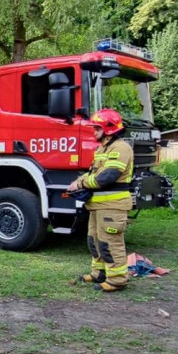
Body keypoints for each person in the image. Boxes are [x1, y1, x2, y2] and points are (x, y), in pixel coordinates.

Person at [67, 108, 134, 292]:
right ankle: (99, 274)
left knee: (110, 243)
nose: (94, 132)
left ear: (109, 129)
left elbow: (107, 177)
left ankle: (117, 280)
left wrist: (81, 184)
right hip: (98, 206)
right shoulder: (103, 149)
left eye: (97, 128)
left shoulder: (121, 148)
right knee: (95, 241)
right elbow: (93, 173)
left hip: (113, 206)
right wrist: (77, 182)